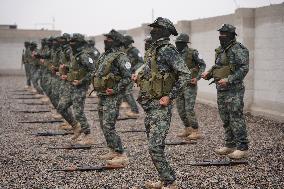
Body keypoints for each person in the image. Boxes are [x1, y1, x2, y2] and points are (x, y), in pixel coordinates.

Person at [134, 17, 191, 189]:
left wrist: (171, 96)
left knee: (154, 146)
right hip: (150, 104)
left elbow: (185, 74)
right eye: (152, 28)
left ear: (164, 31)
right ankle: (164, 179)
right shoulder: (154, 50)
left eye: (156, 29)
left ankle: (170, 182)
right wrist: (139, 75)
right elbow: (150, 70)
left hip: (160, 106)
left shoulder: (168, 50)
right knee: (155, 146)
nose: (152, 31)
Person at [201, 24, 249, 159]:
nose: (221, 36)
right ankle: (230, 145)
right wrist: (209, 73)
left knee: (236, 117)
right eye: (220, 34)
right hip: (221, 89)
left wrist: (229, 79)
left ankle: (242, 147)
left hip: (234, 89)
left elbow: (244, 68)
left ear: (232, 35)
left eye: (224, 34)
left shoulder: (238, 49)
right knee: (225, 118)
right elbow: (218, 66)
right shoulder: (221, 50)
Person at [93, 29, 131, 167]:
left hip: (113, 96)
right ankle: (113, 150)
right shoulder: (105, 56)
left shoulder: (121, 57)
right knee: (103, 124)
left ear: (116, 41)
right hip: (103, 95)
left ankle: (121, 154)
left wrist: (115, 89)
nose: (106, 41)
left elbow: (128, 78)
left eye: (109, 39)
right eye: (106, 38)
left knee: (109, 125)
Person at [175, 33, 206, 140]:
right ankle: (187, 129)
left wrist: (197, 78)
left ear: (185, 43)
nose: (177, 45)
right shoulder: (175, 53)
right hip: (178, 85)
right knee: (180, 109)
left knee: (189, 109)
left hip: (189, 85)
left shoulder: (193, 53)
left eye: (180, 43)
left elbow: (202, 65)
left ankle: (195, 130)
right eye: (177, 43)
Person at [120, 35, 144, 118]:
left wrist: (134, 70)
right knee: (123, 90)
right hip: (125, 74)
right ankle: (127, 105)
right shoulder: (123, 50)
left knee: (128, 91)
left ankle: (135, 111)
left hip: (131, 74)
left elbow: (141, 62)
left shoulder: (134, 50)